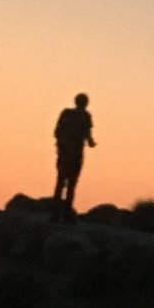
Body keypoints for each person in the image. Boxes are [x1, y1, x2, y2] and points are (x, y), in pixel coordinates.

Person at [52, 92, 96, 222]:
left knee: (60, 182)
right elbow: (88, 136)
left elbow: (56, 132)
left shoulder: (66, 113)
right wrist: (92, 143)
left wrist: (62, 144)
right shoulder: (86, 116)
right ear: (86, 103)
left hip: (64, 152)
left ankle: (55, 214)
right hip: (76, 153)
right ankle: (66, 215)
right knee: (71, 184)